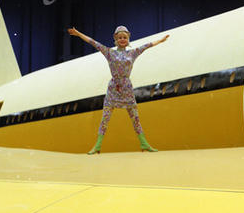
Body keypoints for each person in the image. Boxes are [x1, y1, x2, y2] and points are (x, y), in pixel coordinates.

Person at [68, 25, 169, 153]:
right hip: (113, 88)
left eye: (124, 37)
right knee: (105, 117)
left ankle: (144, 144)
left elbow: (147, 45)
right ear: (115, 39)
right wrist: (78, 33)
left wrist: (160, 40)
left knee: (135, 117)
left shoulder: (133, 53)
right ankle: (97, 146)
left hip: (127, 88)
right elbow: (93, 42)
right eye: (120, 37)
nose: (122, 39)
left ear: (128, 39)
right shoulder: (109, 52)